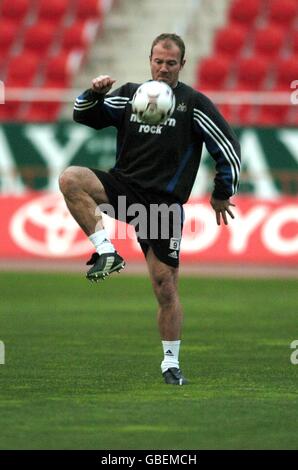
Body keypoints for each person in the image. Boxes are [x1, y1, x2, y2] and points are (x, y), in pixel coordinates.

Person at [59, 33, 241, 386]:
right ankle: (106, 252)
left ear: (182, 65)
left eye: (171, 63)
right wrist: (93, 94)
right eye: (158, 61)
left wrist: (222, 192)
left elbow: (227, 148)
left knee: (165, 287)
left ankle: (170, 363)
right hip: (123, 190)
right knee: (71, 179)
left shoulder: (194, 105)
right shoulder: (130, 93)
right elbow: (84, 116)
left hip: (162, 207)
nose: (163, 68)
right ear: (150, 60)